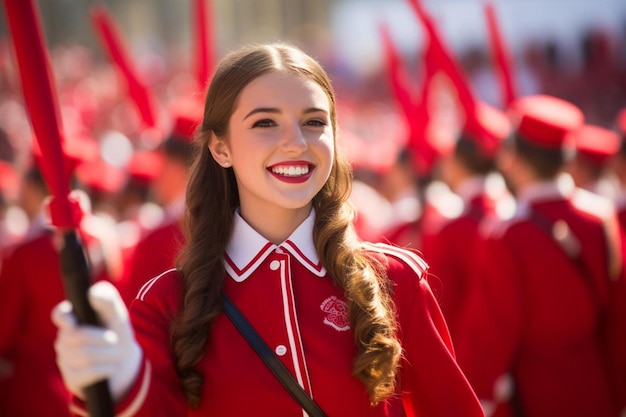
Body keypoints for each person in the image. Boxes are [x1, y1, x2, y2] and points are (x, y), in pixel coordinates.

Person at [51, 42, 484, 416]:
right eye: (265, 122)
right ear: (220, 147)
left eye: (314, 122)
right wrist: (122, 379)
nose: (296, 141)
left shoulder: (397, 281)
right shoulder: (168, 303)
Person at [455, 94, 623, 417]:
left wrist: (473, 404)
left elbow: (488, 338)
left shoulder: (506, 234)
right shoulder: (602, 216)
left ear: (512, 156)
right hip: (597, 390)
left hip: (538, 397)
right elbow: (618, 323)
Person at [420, 102, 513, 342]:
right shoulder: (513, 216)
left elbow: (441, 308)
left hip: (467, 351)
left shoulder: (449, 228)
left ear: (456, 161)